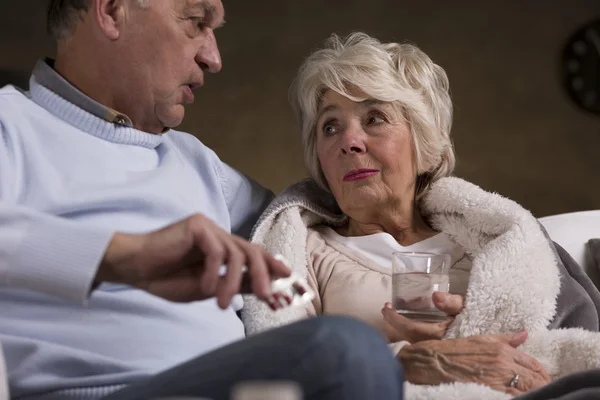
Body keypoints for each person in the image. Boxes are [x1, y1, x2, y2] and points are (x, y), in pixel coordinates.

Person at [0, 2, 406, 399]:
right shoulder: (10, 124)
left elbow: (319, 248)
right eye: (196, 21)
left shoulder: (199, 163)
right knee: (344, 352)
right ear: (110, 11)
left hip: (232, 387)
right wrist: (122, 256)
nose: (213, 58)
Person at [241, 32, 600, 398]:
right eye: (329, 126)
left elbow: (578, 348)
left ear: (423, 141)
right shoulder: (297, 257)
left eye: (375, 117)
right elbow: (286, 371)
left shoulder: (505, 239)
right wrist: (411, 361)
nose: (349, 141)